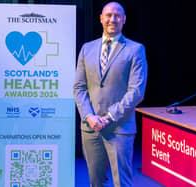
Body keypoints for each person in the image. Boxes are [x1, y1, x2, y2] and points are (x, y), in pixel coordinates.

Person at [73, 1, 148, 187]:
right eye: (108, 15)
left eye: (117, 16)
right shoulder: (86, 49)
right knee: (95, 180)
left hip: (119, 128)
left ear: (124, 20)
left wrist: (109, 117)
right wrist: (89, 116)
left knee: (122, 182)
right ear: (101, 18)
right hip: (91, 128)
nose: (112, 19)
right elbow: (79, 88)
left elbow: (136, 91)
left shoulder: (135, 49)